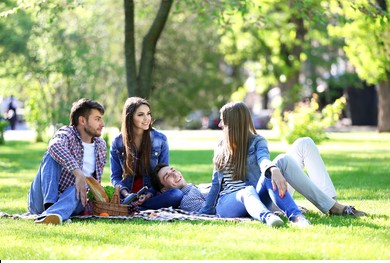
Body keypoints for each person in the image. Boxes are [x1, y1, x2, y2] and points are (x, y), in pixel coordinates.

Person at [199, 101, 366, 220]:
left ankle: (330, 203)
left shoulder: (257, 141)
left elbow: (263, 159)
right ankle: (332, 206)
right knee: (280, 161)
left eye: (223, 121)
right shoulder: (220, 146)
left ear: (233, 124)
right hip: (259, 198)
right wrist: (204, 211)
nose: (220, 124)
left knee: (303, 144)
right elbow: (216, 183)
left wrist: (273, 168)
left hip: (270, 190)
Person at [28, 98, 106, 225]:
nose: (102, 124)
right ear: (82, 120)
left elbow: (96, 183)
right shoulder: (67, 133)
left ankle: (52, 215)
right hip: (41, 199)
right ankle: (50, 210)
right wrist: (78, 172)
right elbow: (54, 146)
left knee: (85, 184)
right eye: (97, 119)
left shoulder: (101, 145)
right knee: (51, 155)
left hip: (73, 200)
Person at [110, 97, 183, 210]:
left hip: (152, 194)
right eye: (140, 115)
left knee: (176, 195)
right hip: (126, 194)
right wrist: (126, 194)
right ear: (130, 117)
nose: (146, 118)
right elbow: (115, 177)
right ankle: (129, 204)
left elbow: (163, 173)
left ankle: (136, 208)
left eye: (148, 113)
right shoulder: (118, 142)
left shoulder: (160, 139)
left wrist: (149, 194)